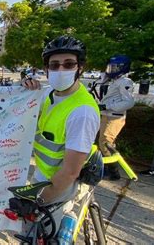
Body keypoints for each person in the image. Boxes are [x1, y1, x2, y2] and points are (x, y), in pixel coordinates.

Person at [21, 35, 100, 232]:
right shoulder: (48, 95)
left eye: (68, 64)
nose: (60, 70)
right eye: (54, 65)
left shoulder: (82, 112)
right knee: (28, 231)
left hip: (60, 185)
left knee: (45, 235)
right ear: (46, 69)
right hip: (41, 176)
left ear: (80, 67)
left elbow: (70, 172)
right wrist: (25, 93)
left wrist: (39, 201)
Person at [97, 55, 135, 180]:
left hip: (115, 117)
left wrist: (108, 106)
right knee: (103, 142)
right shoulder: (115, 81)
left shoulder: (125, 82)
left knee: (106, 143)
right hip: (107, 115)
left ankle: (113, 172)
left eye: (114, 68)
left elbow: (129, 102)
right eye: (110, 67)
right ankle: (108, 168)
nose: (111, 70)